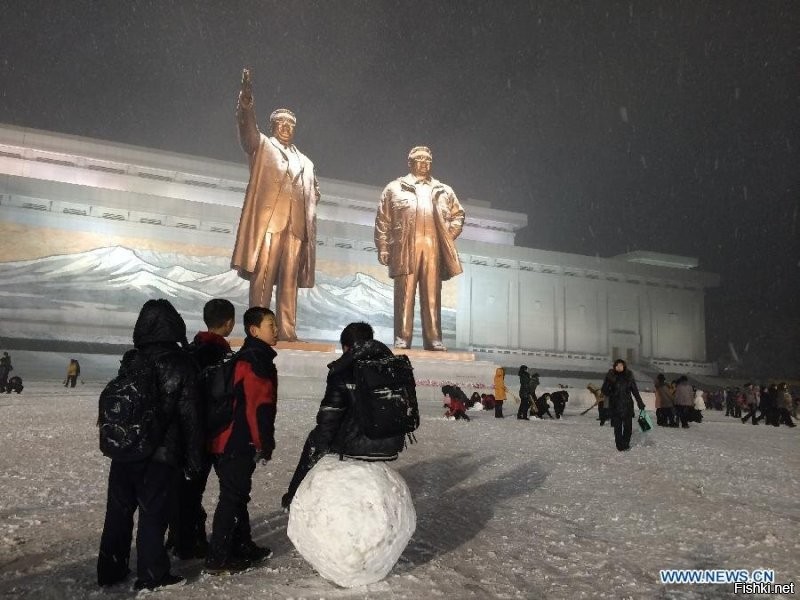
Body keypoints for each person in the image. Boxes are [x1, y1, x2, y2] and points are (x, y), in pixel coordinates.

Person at [97, 299, 204, 591]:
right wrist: (195, 458)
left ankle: (110, 569)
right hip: (160, 452)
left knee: (117, 513)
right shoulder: (180, 362)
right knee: (153, 514)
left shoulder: (132, 359)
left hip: (125, 448)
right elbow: (189, 415)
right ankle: (153, 574)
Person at [281, 322, 412, 511]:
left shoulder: (343, 371)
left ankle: (292, 498)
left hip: (356, 446)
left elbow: (329, 419)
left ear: (346, 347)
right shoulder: (392, 366)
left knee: (313, 442)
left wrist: (319, 446)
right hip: (391, 445)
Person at [230, 68, 320, 341]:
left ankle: (288, 332)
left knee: (289, 283)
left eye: (291, 125)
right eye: (281, 124)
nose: (286, 128)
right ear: (273, 127)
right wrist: (246, 102)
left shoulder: (306, 161)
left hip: (296, 228)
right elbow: (247, 131)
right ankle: (257, 331)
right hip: (270, 225)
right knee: (263, 279)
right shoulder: (263, 147)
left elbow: (313, 193)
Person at [205, 307, 278, 575]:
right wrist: (263, 443)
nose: (276, 330)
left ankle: (242, 544)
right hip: (236, 440)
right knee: (232, 497)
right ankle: (219, 557)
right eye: (271, 324)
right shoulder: (255, 360)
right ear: (254, 330)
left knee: (236, 495)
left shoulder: (245, 356)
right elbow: (257, 407)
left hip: (224, 438)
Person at [374, 146, 465, 351]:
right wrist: (383, 247)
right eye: (419, 159)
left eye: (428, 159)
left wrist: (447, 237)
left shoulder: (444, 190)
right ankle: (402, 338)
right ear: (410, 162)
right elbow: (383, 220)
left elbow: (458, 215)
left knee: (432, 295)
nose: (424, 163)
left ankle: (434, 339)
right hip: (406, 248)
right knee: (404, 295)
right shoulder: (394, 188)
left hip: (433, 248)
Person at [167, 299, 235, 560]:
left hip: (184, 430)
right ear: (228, 323)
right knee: (196, 489)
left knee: (185, 488)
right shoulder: (219, 354)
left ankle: (179, 537)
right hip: (206, 431)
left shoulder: (192, 349)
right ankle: (189, 541)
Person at [601, 359, 645, 451]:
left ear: (624, 366)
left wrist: (640, 402)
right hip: (615, 405)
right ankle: (619, 445)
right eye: (617, 366)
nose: (619, 367)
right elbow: (604, 390)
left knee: (628, 427)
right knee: (617, 427)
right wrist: (608, 382)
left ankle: (626, 443)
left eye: (621, 365)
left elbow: (635, 391)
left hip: (627, 405)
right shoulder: (611, 377)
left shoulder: (629, 377)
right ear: (614, 367)